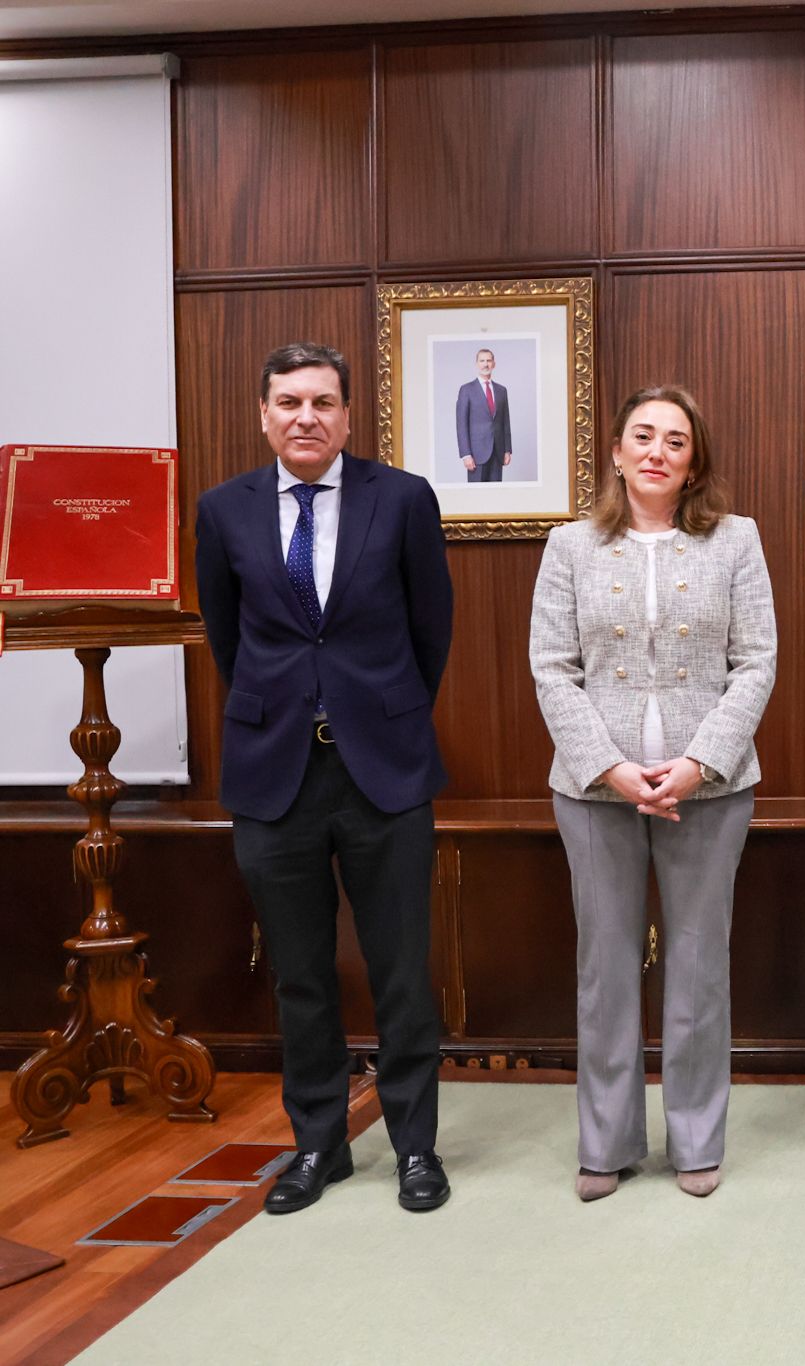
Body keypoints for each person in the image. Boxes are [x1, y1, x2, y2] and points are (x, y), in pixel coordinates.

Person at [193, 341, 455, 1214]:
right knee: (300, 974)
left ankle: (415, 1147)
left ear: (348, 416)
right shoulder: (223, 511)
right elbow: (229, 643)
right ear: (263, 415)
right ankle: (318, 1145)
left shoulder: (404, 500)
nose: (306, 416)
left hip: (383, 770)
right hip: (275, 778)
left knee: (402, 971)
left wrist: (375, 711)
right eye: (289, 402)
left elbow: (432, 633)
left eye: (323, 402)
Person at [529, 384, 776, 1202]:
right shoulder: (569, 546)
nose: (658, 452)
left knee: (699, 965)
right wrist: (610, 766)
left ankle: (697, 1138)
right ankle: (606, 1144)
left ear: (694, 459)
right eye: (644, 435)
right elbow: (552, 669)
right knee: (605, 968)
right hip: (593, 790)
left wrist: (698, 762)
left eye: (676, 440)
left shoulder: (735, 542)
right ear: (617, 451)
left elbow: (757, 664)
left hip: (711, 789)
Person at [456, 347, 512, 482]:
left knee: (496, 495)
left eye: (489, 360)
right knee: (476, 496)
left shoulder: (501, 390)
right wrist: (466, 454)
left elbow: (505, 422)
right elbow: (461, 424)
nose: (485, 364)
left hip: (498, 453)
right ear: (477, 364)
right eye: (482, 361)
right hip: (476, 455)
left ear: (494, 363)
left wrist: (507, 450)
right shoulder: (466, 390)